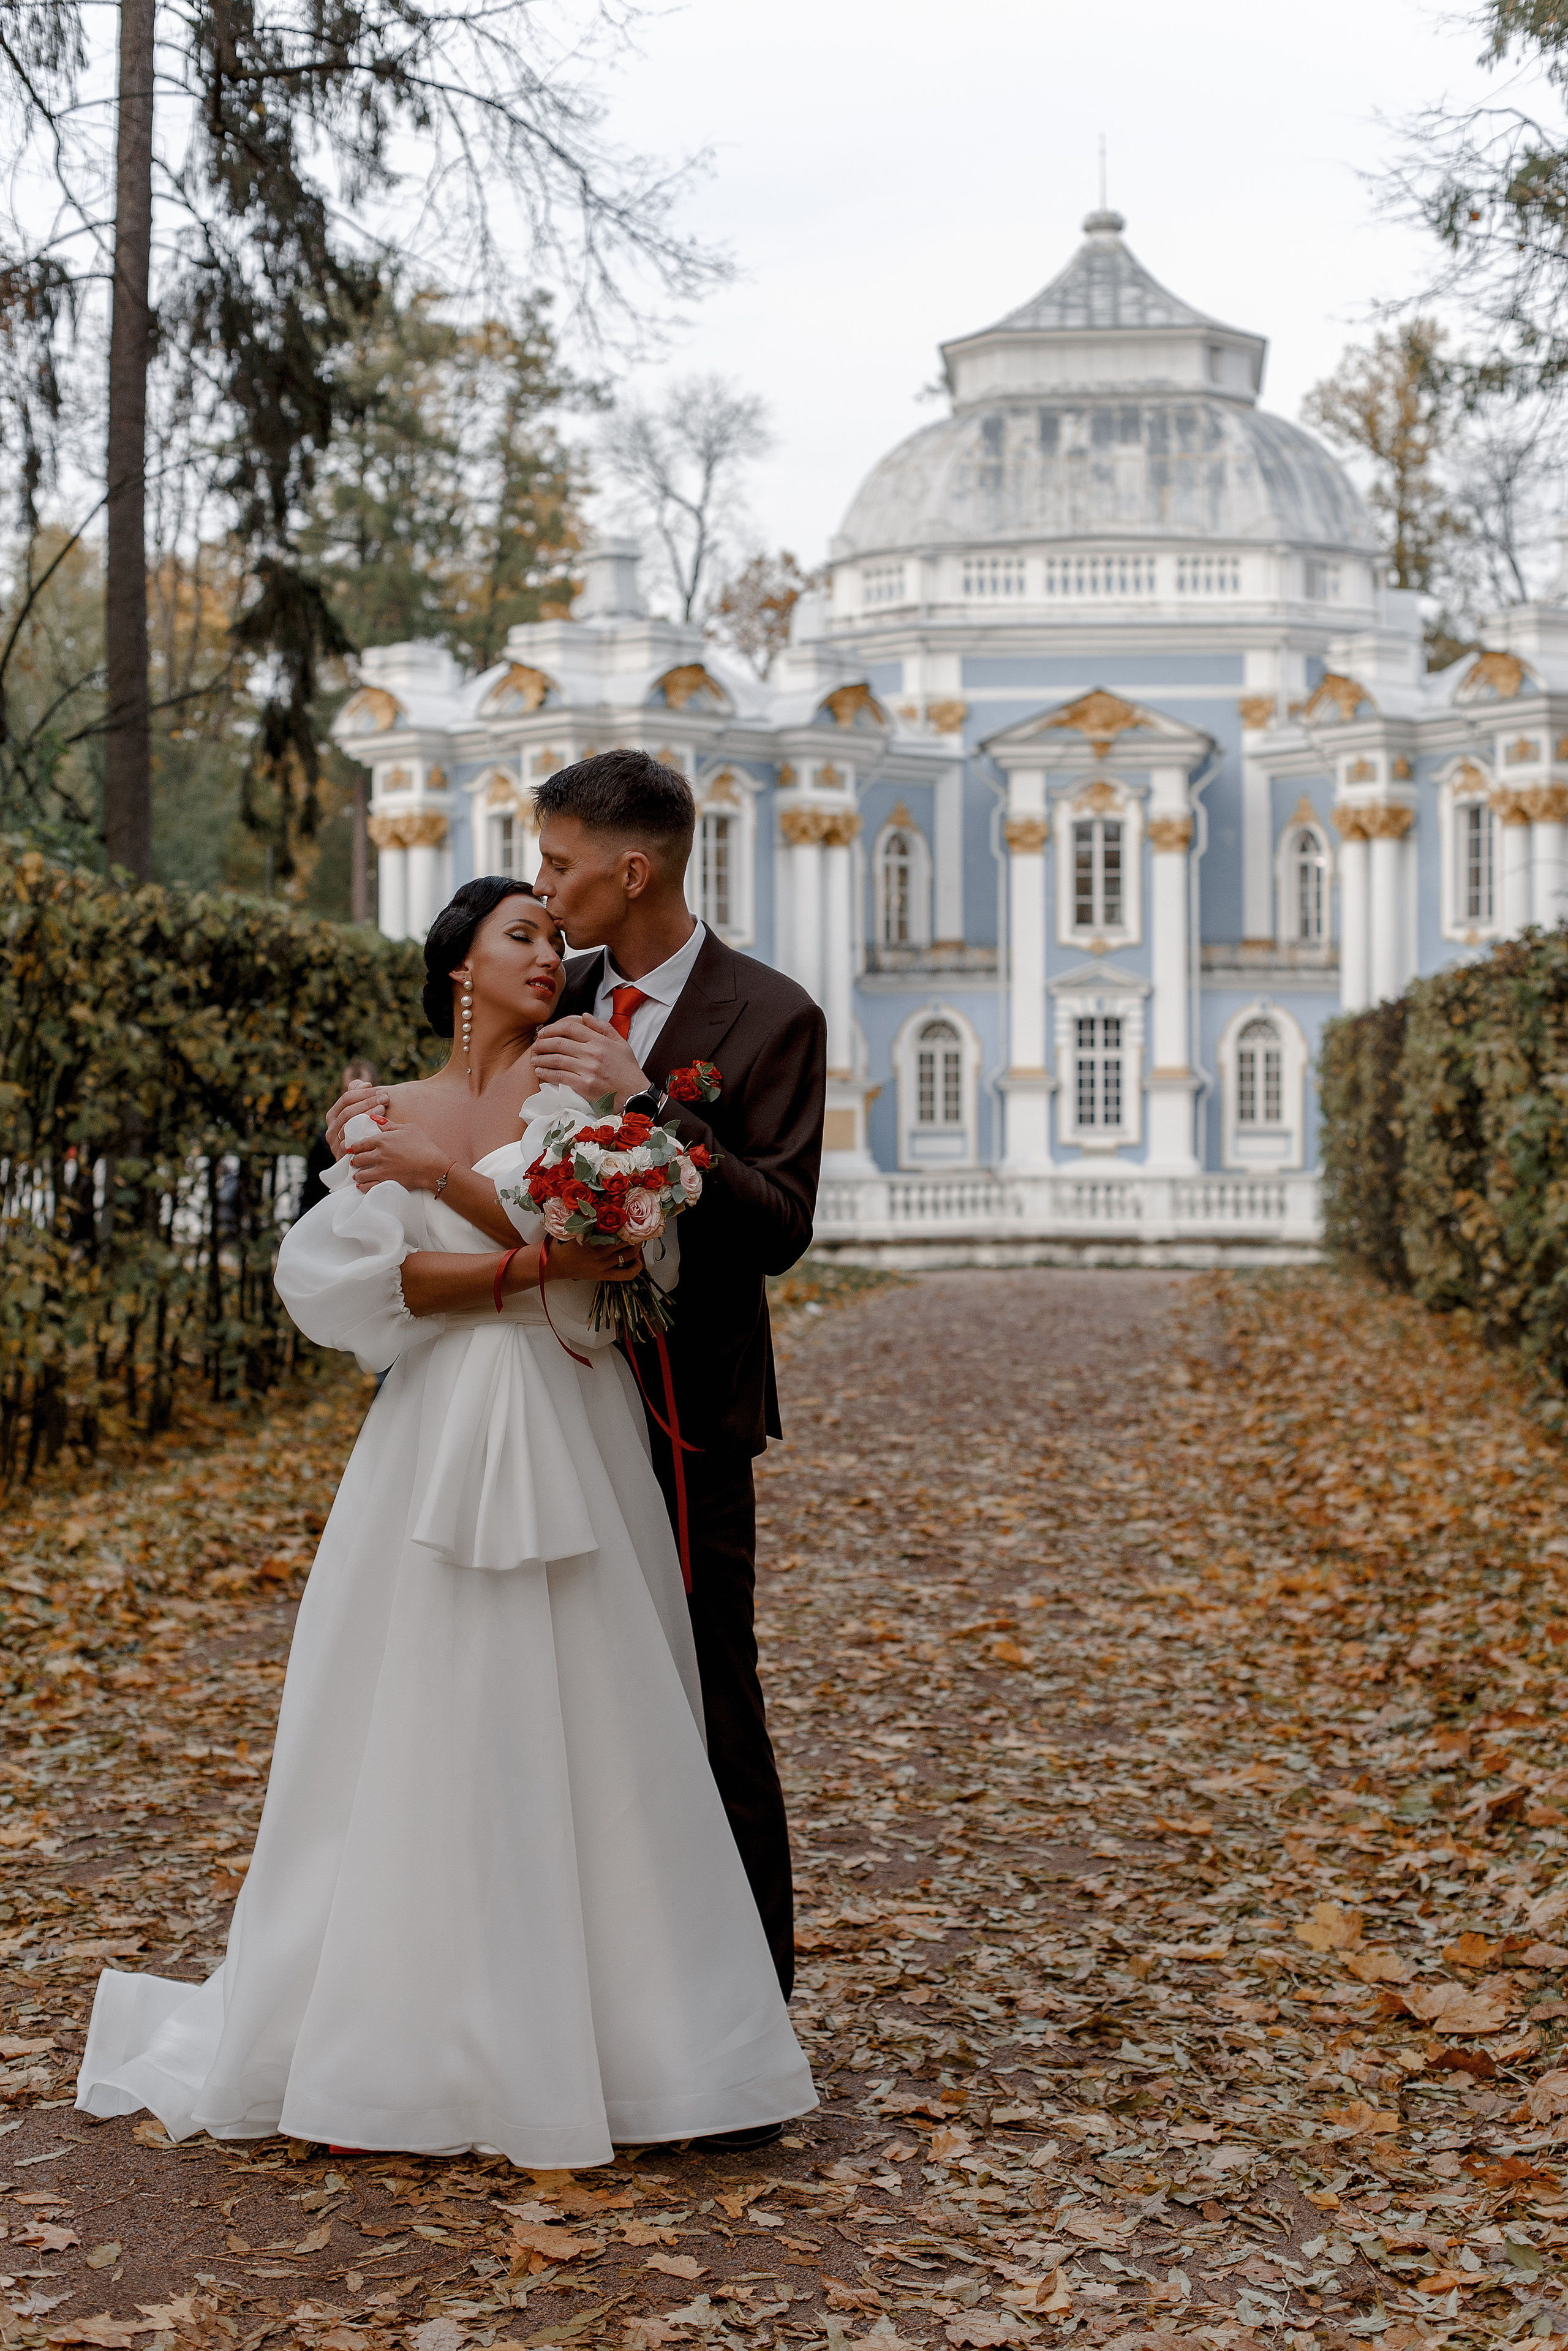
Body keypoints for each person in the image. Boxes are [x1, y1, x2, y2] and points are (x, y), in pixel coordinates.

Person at [74, 876, 815, 2164]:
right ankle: (400, 2032)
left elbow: (619, 1263)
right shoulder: (385, 1115)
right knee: (408, 1712)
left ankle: (640, 2040)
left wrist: (467, 1214)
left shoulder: (585, 1103)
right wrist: (497, 1250)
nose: (551, 953)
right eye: (519, 934)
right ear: (458, 967)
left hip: (575, 1423)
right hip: (425, 1442)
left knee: (606, 1716)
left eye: (553, 933)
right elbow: (354, 1286)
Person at [331, 763, 826, 2088]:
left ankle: (733, 2024)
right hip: (531, 1403)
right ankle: (520, 1998)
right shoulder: (543, 974)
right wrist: (360, 1134)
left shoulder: (770, 1015)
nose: (540, 894)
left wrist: (650, 1102)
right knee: (524, 1695)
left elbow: (779, 1225)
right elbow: (446, 1113)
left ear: (633, 870)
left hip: (683, 1413)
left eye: (556, 867)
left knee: (703, 1701)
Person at [298, 1058, 377, 1217]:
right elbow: (311, 1197)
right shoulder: (326, 1140)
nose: (354, 1098)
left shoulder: (388, 1134)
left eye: (361, 1091)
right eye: (348, 1092)